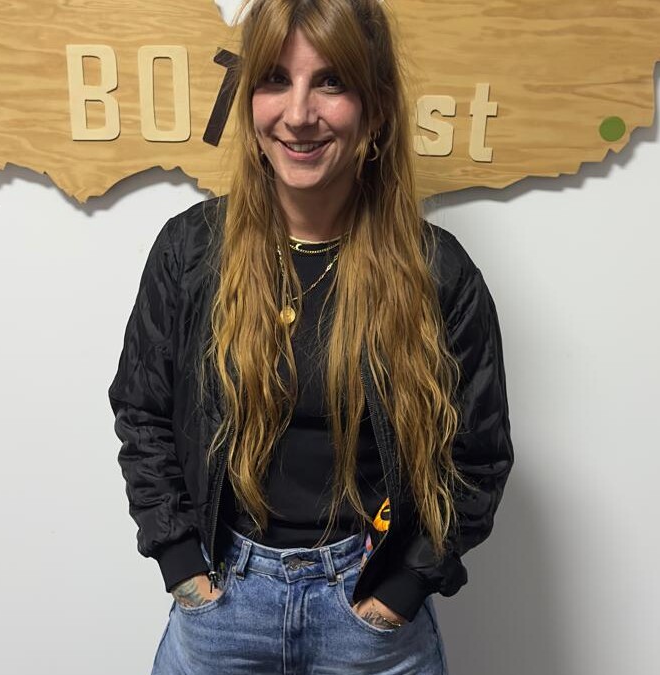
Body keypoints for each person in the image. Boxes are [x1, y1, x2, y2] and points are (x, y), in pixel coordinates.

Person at [108, 0, 513, 672]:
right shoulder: (190, 251)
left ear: (375, 110)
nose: (298, 113)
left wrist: (398, 595)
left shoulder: (440, 274)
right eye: (275, 79)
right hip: (221, 604)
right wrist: (185, 570)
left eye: (331, 82)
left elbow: (477, 459)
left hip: (368, 616)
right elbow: (142, 412)